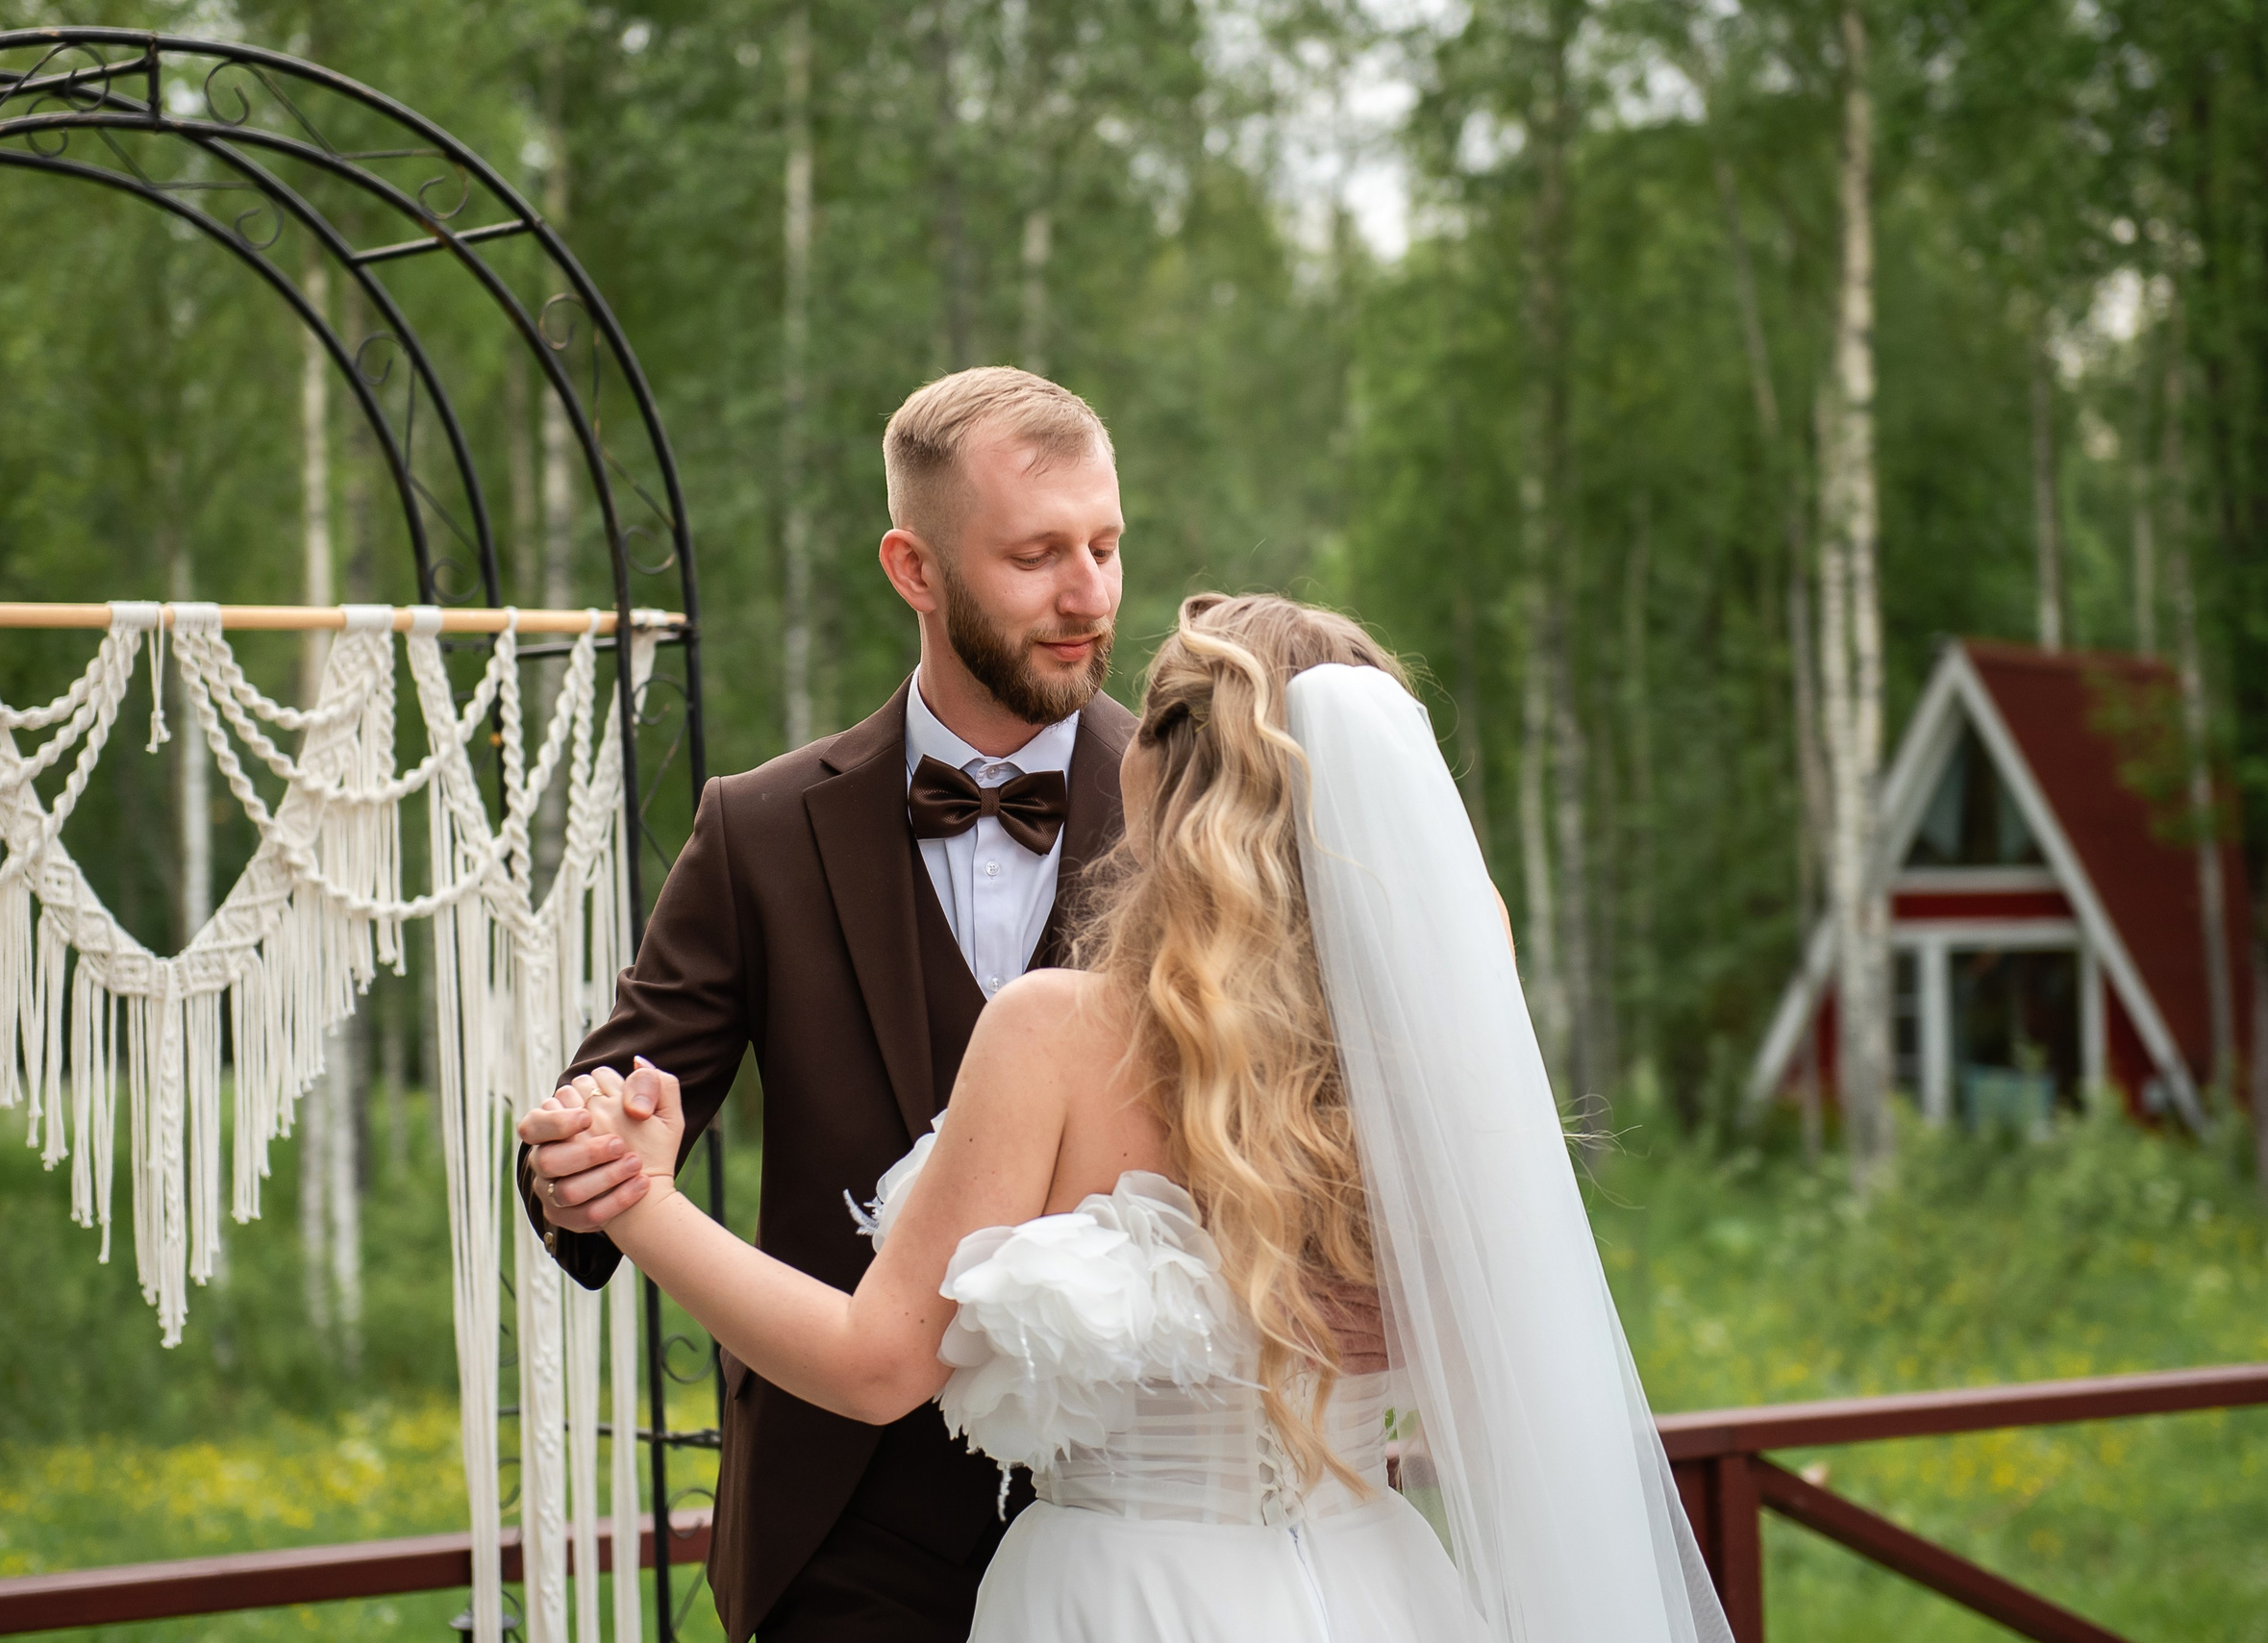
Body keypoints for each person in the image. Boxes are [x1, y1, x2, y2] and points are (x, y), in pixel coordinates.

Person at [544, 594, 1736, 1642]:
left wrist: (640, 1205)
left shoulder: (1056, 1029)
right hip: (1381, 1585)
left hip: (1120, 1593)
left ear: (1161, 774)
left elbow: (875, 1366)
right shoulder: (1433, 1026)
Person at [515, 365, 1134, 1643]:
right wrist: (584, 1155)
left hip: (1135, 1513)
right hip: (845, 1527)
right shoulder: (762, 830)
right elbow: (617, 1095)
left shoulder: (1212, 816)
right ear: (914, 568)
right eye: (1036, 556)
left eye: (1106, 545)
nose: (1088, 596)